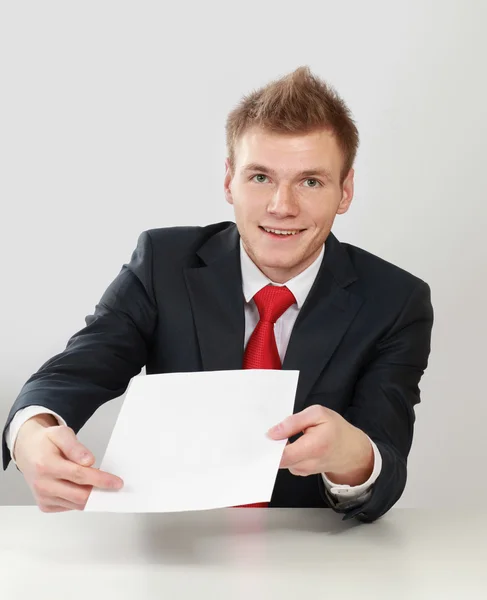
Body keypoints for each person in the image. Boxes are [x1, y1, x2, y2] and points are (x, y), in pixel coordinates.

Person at [1, 66, 433, 522]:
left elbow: (386, 467)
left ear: (345, 191)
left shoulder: (395, 302)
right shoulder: (161, 263)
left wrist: (354, 458)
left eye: (310, 181)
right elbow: (78, 368)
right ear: (229, 181)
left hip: (312, 557)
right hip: (174, 546)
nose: (282, 206)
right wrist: (32, 430)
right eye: (260, 177)